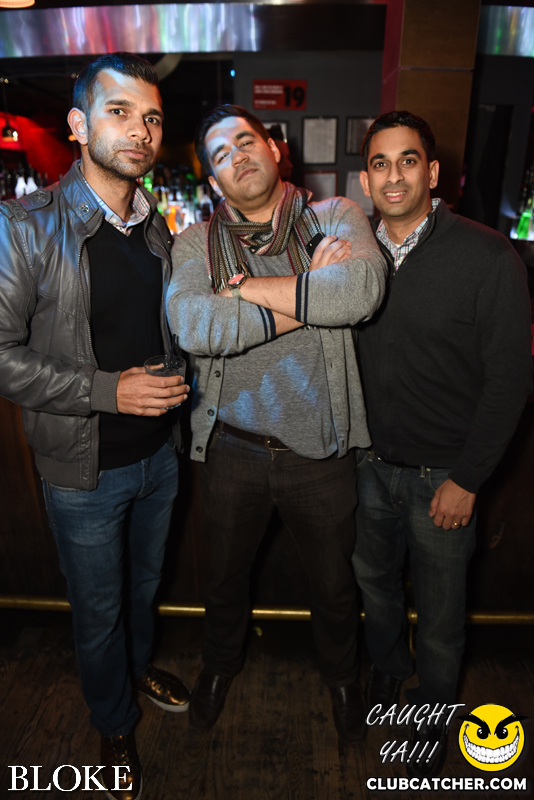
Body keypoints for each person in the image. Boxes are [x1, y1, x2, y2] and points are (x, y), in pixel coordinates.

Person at [0, 52, 191, 800]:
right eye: (120, 112)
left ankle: (135, 671)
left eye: (152, 118)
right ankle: (112, 720)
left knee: (143, 590)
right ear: (79, 125)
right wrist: (109, 391)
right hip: (83, 471)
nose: (140, 130)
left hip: (161, 457)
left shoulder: (155, 227)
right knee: (99, 609)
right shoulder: (23, 226)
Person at [166, 104, 387, 742]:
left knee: (335, 585)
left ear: (276, 149)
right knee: (224, 581)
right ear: (213, 180)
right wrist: (309, 293)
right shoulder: (195, 243)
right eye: (220, 154)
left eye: (246, 140)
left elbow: (360, 293)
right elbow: (196, 326)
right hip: (232, 449)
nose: (237, 156)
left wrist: (243, 291)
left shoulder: (335, 216)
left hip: (321, 451)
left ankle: (342, 679)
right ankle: (219, 667)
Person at [353, 110, 532, 778]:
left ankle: (431, 708)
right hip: (367, 466)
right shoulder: (351, 252)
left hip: (444, 477)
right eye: (380, 163)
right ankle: (387, 668)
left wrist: (468, 478)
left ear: (431, 173)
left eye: (407, 160)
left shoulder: (488, 255)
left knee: (441, 611)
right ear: (365, 180)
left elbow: (511, 381)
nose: (393, 175)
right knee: (375, 586)